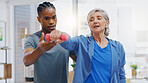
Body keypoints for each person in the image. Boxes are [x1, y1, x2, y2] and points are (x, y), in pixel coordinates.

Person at [50, 8, 126, 83]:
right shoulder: (82, 42)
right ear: (89, 25)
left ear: (107, 23)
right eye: (91, 20)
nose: (95, 21)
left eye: (99, 18)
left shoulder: (118, 47)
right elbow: (69, 42)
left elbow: (121, 74)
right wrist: (61, 36)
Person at [23, 1, 76, 83]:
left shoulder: (65, 38)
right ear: (39, 19)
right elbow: (26, 61)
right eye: (47, 18)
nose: (51, 21)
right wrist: (40, 49)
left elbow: (79, 60)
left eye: (54, 17)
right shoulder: (32, 39)